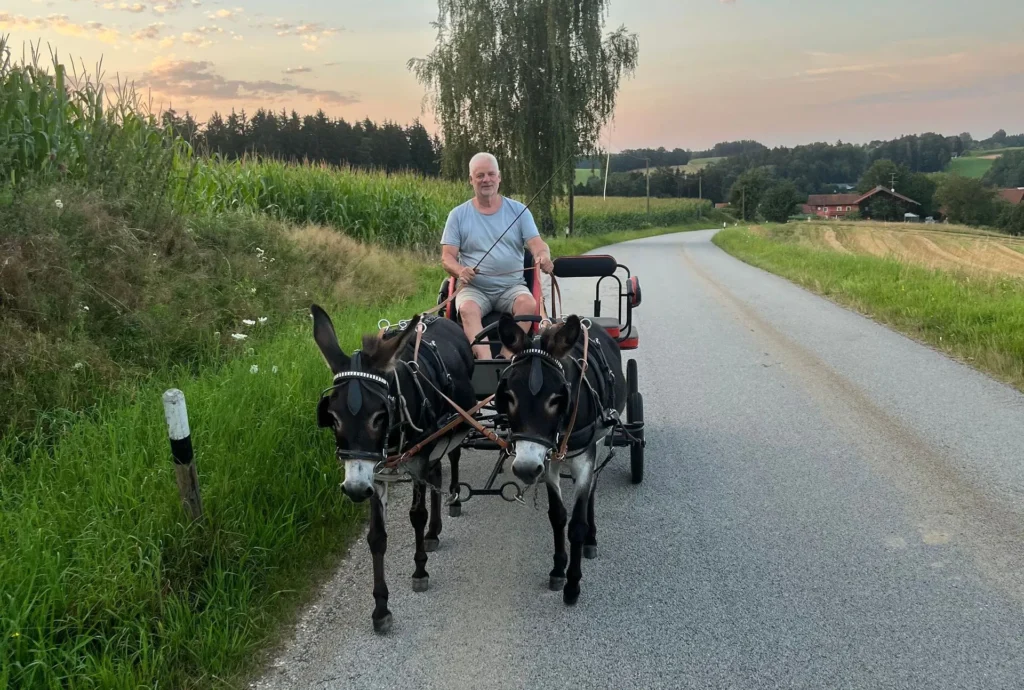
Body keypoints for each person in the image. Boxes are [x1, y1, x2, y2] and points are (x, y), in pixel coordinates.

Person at [441, 152, 555, 360]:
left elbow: (538, 245)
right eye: (480, 175)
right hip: (474, 289)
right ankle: (485, 364)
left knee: (528, 305)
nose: (486, 180)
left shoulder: (519, 211)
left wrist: (543, 257)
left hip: (511, 287)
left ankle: (505, 360)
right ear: (471, 180)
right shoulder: (457, 215)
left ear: (499, 177)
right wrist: (460, 270)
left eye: (491, 174)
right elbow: (447, 257)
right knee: (466, 309)